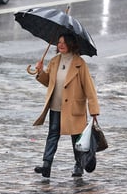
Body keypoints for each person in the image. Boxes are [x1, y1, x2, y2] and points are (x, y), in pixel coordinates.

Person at [32, 33, 100, 178]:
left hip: (74, 108)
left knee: (77, 139)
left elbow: (89, 88)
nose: (60, 45)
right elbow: (48, 82)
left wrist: (94, 110)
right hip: (56, 106)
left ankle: (79, 165)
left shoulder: (79, 63)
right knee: (52, 135)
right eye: (59, 42)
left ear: (71, 44)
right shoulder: (54, 61)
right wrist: (40, 72)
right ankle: (46, 165)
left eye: (64, 42)